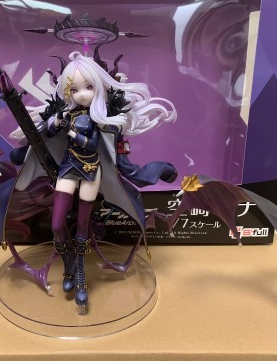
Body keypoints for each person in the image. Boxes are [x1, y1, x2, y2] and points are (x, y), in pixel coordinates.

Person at [10, 51, 178, 311]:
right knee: (57, 224)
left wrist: (72, 134)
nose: (82, 94)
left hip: (91, 170)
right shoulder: (68, 114)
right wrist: (55, 121)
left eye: (88, 87)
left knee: (81, 229)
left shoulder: (97, 119)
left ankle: (80, 279)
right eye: (74, 89)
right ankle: (67, 264)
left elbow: (92, 144)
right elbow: (49, 132)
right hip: (68, 168)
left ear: (98, 87)